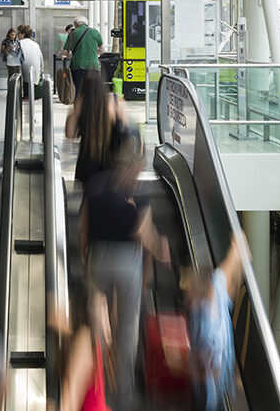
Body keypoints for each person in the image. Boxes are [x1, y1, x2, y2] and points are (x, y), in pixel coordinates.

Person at [79, 143, 169, 409]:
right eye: (138, 169)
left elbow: (83, 223)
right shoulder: (139, 196)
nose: (138, 175)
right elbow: (143, 233)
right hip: (128, 262)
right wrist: (159, 248)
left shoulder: (95, 185)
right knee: (127, 331)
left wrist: (85, 257)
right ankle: (124, 397)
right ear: (132, 167)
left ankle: (98, 390)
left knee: (96, 327)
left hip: (98, 257)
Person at [187, 237, 247, 411]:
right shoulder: (217, 284)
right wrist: (237, 243)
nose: (186, 299)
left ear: (200, 295)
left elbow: (212, 371)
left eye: (190, 294)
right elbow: (235, 256)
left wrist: (179, 364)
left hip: (210, 396)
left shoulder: (211, 333)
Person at [53, 281, 111, 411]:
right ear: (88, 310)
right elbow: (71, 395)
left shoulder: (90, 340)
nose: (105, 313)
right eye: (101, 305)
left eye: (105, 305)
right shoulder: (85, 339)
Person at [66, 76, 133, 184]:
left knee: (88, 196)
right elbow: (127, 129)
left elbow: (70, 134)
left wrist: (73, 111)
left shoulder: (80, 104)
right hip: (112, 162)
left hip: (87, 163)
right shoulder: (115, 100)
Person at [59, 16, 103, 99]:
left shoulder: (72, 33)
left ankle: (78, 110)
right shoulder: (95, 32)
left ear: (75, 24)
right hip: (93, 66)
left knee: (78, 91)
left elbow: (66, 52)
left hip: (78, 66)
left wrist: (68, 56)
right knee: (92, 92)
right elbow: (101, 50)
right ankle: (92, 110)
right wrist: (91, 52)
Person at [17, 25, 43, 101]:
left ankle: (26, 95)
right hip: (35, 70)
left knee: (25, 79)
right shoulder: (35, 44)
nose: (18, 35)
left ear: (23, 34)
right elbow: (41, 58)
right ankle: (32, 95)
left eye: (19, 33)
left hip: (24, 69)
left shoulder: (19, 43)